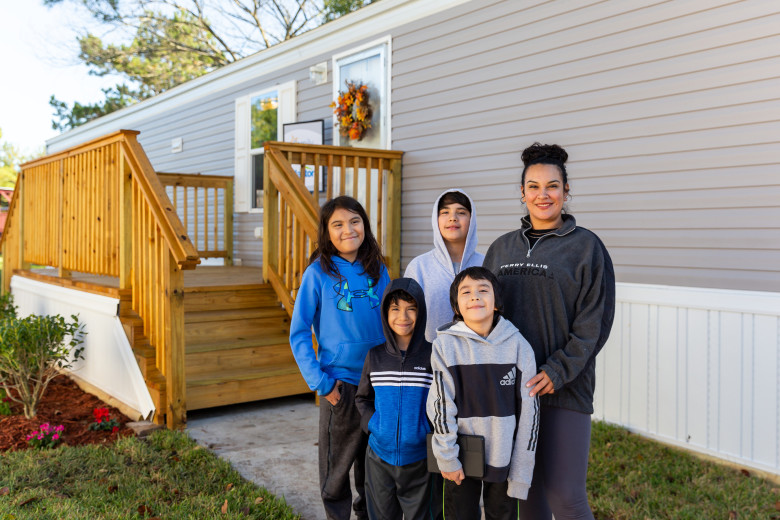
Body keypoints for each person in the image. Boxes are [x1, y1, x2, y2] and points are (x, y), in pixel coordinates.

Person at [483, 143, 616, 520]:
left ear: (566, 191)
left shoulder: (586, 247)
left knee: (566, 497)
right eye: (534, 186)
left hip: (564, 390)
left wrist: (557, 372)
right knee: (526, 495)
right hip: (512, 392)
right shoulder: (501, 248)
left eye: (552, 186)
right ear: (522, 192)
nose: (543, 195)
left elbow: (595, 323)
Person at [289, 195, 391, 520]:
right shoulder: (317, 274)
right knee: (336, 473)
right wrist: (322, 383)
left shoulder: (378, 269)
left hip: (379, 385)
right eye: (338, 224)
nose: (348, 229)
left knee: (372, 471)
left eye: (354, 221)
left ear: (364, 225)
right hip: (341, 388)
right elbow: (300, 332)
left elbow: (393, 319)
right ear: (327, 232)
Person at [427, 266, 539, 519]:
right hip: (460, 457)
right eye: (466, 292)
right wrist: (447, 457)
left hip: (504, 459)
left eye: (483, 290)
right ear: (456, 307)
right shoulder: (445, 346)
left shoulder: (519, 346)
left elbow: (530, 415)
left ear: (496, 303)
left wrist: (521, 473)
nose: (475, 296)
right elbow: (440, 405)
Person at [356, 277, 433, 520]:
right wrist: (374, 426)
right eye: (396, 309)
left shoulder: (433, 355)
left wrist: (425, 430)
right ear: (385, 313)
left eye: (411, 308)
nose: (403, 316)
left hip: (420, 458)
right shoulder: (375, 356)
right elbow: (362, 398)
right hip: (379, 456)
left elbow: (442, 402)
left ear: (421, 313)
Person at [404, 189, 484, 343]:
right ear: (436, 219)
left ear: (472, 219)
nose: (452, 218)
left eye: (461, 212)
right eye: (445, 212)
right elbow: (407, 319)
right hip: (429, 359)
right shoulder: (419, 267)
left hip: (477, 359)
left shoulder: (486, 264)